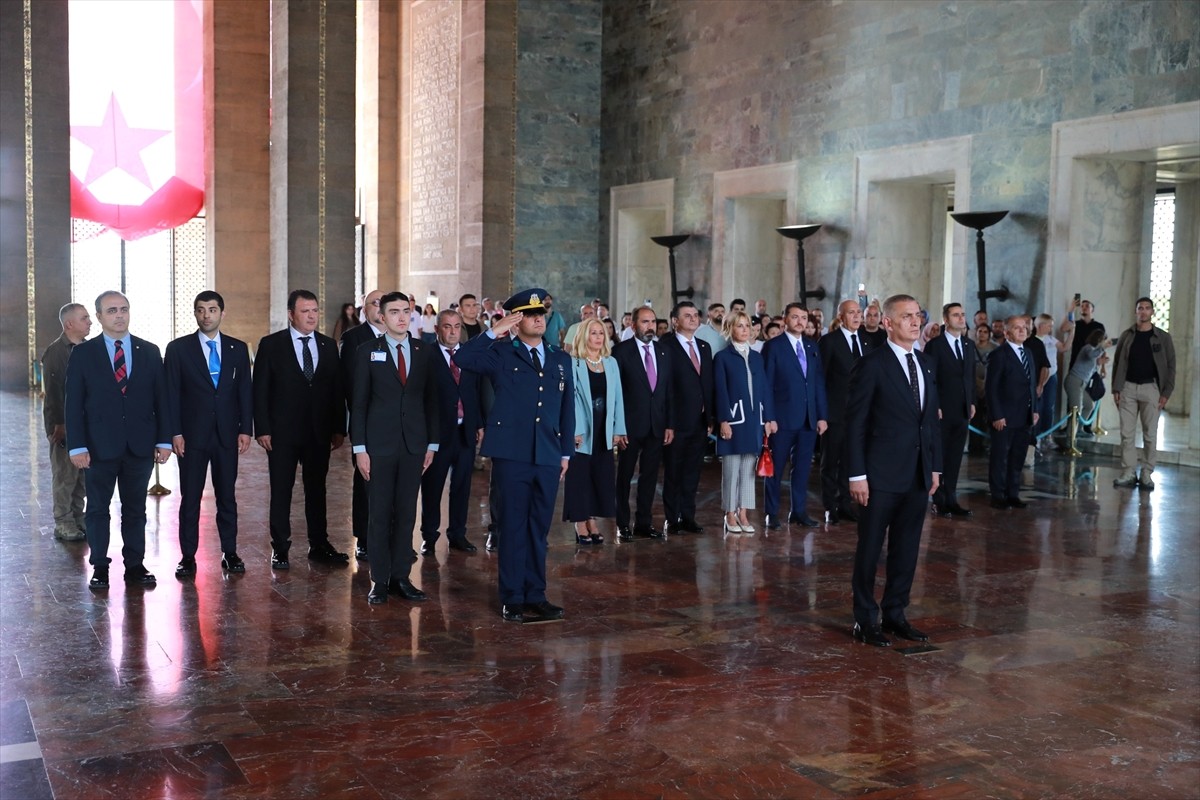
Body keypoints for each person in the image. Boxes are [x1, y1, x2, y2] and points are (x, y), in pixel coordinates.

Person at [454, 288, 574, 623]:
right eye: (529, 314)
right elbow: (462, 359)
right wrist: (494, 330)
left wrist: (566, 452)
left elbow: (566, 410)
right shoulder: (501, 353)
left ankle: (536, 593)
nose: (538, 319)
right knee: (512, 526)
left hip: (548, 454)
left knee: (538, 528)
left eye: (541, 314)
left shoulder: (560, 358)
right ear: (516, 319)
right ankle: (512, 597)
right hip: (512, 455)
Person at [846, 294, 942, 647]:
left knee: (907, 548)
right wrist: (857, 474)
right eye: (907, 317)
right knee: (870, 548)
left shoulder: (925, 364)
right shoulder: (872, 365)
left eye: (918, 315)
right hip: (878, 476)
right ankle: (865, 619)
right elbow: (855, 423)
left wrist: (936, 469)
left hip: (917, 474)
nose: (915, 322)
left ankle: (895, 613)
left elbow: (930, 421)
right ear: (888, 323)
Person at [65, 290, 171, 590]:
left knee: (136, 509)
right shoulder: (84, 354)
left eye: (123, 309)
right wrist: (77, 445)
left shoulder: (149, 351)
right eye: (111, 310)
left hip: (139, 446)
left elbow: (161, 401)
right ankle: (99, 565)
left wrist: (163, 440)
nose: (119, 315)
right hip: (98, 447)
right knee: (97, 509)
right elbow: (73, 403)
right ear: (99, 317)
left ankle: (135, 565)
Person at [350, 292, 438, 604]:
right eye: (394, 312)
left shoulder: (424, 351)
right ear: (382, 317)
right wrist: (360, 448)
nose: (401, 317)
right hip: (378, 447)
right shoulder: (366, 351)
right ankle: (379, 580)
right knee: (378, 513)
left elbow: (432, 401)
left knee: (405, 513)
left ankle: (401, 576)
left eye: (406, 311)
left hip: (414, 445)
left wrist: (432, 443)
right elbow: (358, 404)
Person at [253, 289, 347, 569]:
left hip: (318, 432)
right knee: (282, 490)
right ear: (291, 314)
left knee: (317, 490)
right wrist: (263, 429)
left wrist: (339, 427)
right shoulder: (271, 345)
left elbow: (336, 389)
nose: (311, 316)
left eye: (315, 311)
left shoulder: (328, 345)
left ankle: (319, 544)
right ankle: (280, 547)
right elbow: (260, 390)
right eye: (305, 311)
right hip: (281, 434)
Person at [164, 291, 254, 577]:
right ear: (195, 313)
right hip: (191, 436)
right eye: (201, 310)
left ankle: (230, 552)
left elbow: (244, 393)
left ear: (222, 313)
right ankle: (188, 556)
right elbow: (171, 395)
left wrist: (245, 430)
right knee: (190, 497)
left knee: (227, 496)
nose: (206, 315)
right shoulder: (178, 349)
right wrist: (175, 432)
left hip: (227, 435)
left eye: (212, 310)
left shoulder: (238, 349)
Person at [420, 309, 485, 555]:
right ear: (437, 329)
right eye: (447, 326)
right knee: (432, 487)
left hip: (465, 432)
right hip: (437, 435)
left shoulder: (468, 357)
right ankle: (429, 535)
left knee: (462, 486)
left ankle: (458, 534)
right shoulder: (427, 356)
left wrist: (478, 423)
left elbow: (474, 391)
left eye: (457, 326)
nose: (453, 331)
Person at [762, 303, 827, 529]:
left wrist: (821, 415)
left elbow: (817, 383)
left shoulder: (811, 346)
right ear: (785, 319)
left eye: (803, 317)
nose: (800, 321)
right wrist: (769, 417)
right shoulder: (773, 347)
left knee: (802, 469)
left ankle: (798, 512)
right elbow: (766, 385)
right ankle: (771, 513)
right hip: (781, 420)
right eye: (795, 317)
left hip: (809, 419)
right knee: (776, 469)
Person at [612, 306, 674, 541]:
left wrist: (669, 424)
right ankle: (622, 524)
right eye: (645, 322)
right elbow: (615, 393)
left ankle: (644, 523)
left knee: (649, 476)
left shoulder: (663, 351)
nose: (650, 326)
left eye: (653, 321)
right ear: (633, 325)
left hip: (657, 426)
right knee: (625, 476)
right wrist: (618, 427)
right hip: (629, 426)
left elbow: (667, 390)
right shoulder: (620, 352)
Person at [564, 319, 626, 544]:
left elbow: (618, 397)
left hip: (604, 426)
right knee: (579, 476)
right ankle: (580, 522)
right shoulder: (574, 363)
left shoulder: (611, 363)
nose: (599, 337)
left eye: (602, 333)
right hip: (582, 428)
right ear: (583, 336)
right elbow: (568, 400)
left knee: (600, 475)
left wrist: (618, 429)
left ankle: (592, 519)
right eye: (593, 333)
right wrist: (574, 430)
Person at [714, 311, 776, 534]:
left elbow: (765, 389)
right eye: (739, 326)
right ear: (730, 329)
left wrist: (769, 417)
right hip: (734, 419)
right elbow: (720, 391)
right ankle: (729, 513)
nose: (744, 329)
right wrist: (723, 420)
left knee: (749, 468)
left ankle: (744, 512)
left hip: (754, 421)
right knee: (731, 469)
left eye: (747, 325)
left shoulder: (758, 357)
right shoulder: (722, 358)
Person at [662, 300, 715, 535]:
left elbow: (708, 385)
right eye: (687, 315)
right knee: (674, 471)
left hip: (700, 421)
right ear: (675, 320)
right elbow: (665, 387)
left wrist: (711, 417)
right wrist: (669, 422)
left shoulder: (704, 347)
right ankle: (672, 518)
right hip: (676, 421)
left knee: (693, 471)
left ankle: (688, 516)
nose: (693, 319)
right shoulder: (666, 345)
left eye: (695, 315)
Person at [339, 289, 385, 559]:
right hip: (366, 421)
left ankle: (390, 536)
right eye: (374, 303)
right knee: (366, 480)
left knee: (393, 482)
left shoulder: (400, 336)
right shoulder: (353, 338)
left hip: (394, 423)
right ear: (364, 309)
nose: (379, 308)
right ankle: (364, 538)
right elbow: (348, 383)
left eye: (383, 303)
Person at [1111, 297, 1176, 490]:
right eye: (1140, 308)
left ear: (1152, 312)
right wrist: (1117, 388)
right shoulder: (1127, 335)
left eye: (1147, 308)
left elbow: (1171, 366)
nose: (1144, 311)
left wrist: (1166, 392)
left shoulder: (1163, 338)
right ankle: (1128, 472)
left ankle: (1146, 473)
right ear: (1135, 311)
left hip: (1151, 388)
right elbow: (1117, 363)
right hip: (1128, 388)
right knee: (1126, 434)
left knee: (1150, 434)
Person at [41, 302, 92, 541]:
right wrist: (58, 425)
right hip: (64, 425)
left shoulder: (87, 348)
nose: (90, 322)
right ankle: (62, 521)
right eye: (84, 318)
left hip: (85, 424)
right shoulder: (56, 352)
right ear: (69, 323)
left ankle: (77, 517)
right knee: (65, 474)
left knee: (82, 473)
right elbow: (53, 392)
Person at [818, 299, 868, 524]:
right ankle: (830, 505)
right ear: (841, 317)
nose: (857, 316)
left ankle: (845, 503)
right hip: (835, 414)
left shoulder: (866, 343)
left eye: (859, 312)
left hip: (859, 415)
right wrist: (823, 414)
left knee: (850, 460)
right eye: (851, 313)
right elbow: (821, 379)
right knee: (831, 462)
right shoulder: (829, 342)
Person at [924, 302, 976, 518]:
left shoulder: (968, 344)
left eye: (963, 314)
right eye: (956, 315)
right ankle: (939, 500)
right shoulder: (935, 346)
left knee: (955, 456)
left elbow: (970, 377)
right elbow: (930, 378)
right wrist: (934, 405)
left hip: (962, 409)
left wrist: (971, 402)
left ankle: (951, 497)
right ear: (946, 319)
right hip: (942, 410)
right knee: (940, 454)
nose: (961, 318)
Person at [985, 316, 1038, 509]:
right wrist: (997, 415)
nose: (1022, 331)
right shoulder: (999, 355)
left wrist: (1035, 409)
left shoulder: (1029, 353)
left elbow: (1032, 385)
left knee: (1018, 456)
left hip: (1024, 415)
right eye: (1017, 328)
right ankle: (998, 494)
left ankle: (1012, 493)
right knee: (1000, 457)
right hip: (1005, 416)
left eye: (1024, 327)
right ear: (1007, 333)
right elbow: (992, 388)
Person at [1034, 312, 1071, 447]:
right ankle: (1036, 436)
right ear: (1041, 325)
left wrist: (1072, 332)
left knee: (1049, 407)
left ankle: (1047, 435)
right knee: (1037, 407)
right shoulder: (1034, 341)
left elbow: (1065, 348)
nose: (1051, 329)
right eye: (1049, 326)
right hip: (1039, 377)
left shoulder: (1051, 340)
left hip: (1052, 376)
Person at [1063, 329, 1108, 439]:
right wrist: (1103, 348)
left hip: (1082, 384)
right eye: (1103, 340)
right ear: (1099, 339)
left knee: (1089, 405)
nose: (1104, 342)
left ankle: (1078, 430)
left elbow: (1091, 369)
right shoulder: (1087, 348)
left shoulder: (1094, 352)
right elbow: (1091, 355)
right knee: (1076, 408)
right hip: (1074, 380)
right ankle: (1070, 437)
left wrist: (1100, 367)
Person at [1067, 298, 1104, 369]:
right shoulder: (1076, 324)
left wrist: (1103, 367)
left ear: (1092, 309)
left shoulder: (1099, 326)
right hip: (1076, 361)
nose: (1084, 308)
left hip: (1091, 363)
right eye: (1082, 306)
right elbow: (1063, 328)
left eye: (1087, 306)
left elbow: (1102, 345)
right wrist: (1071, 309)